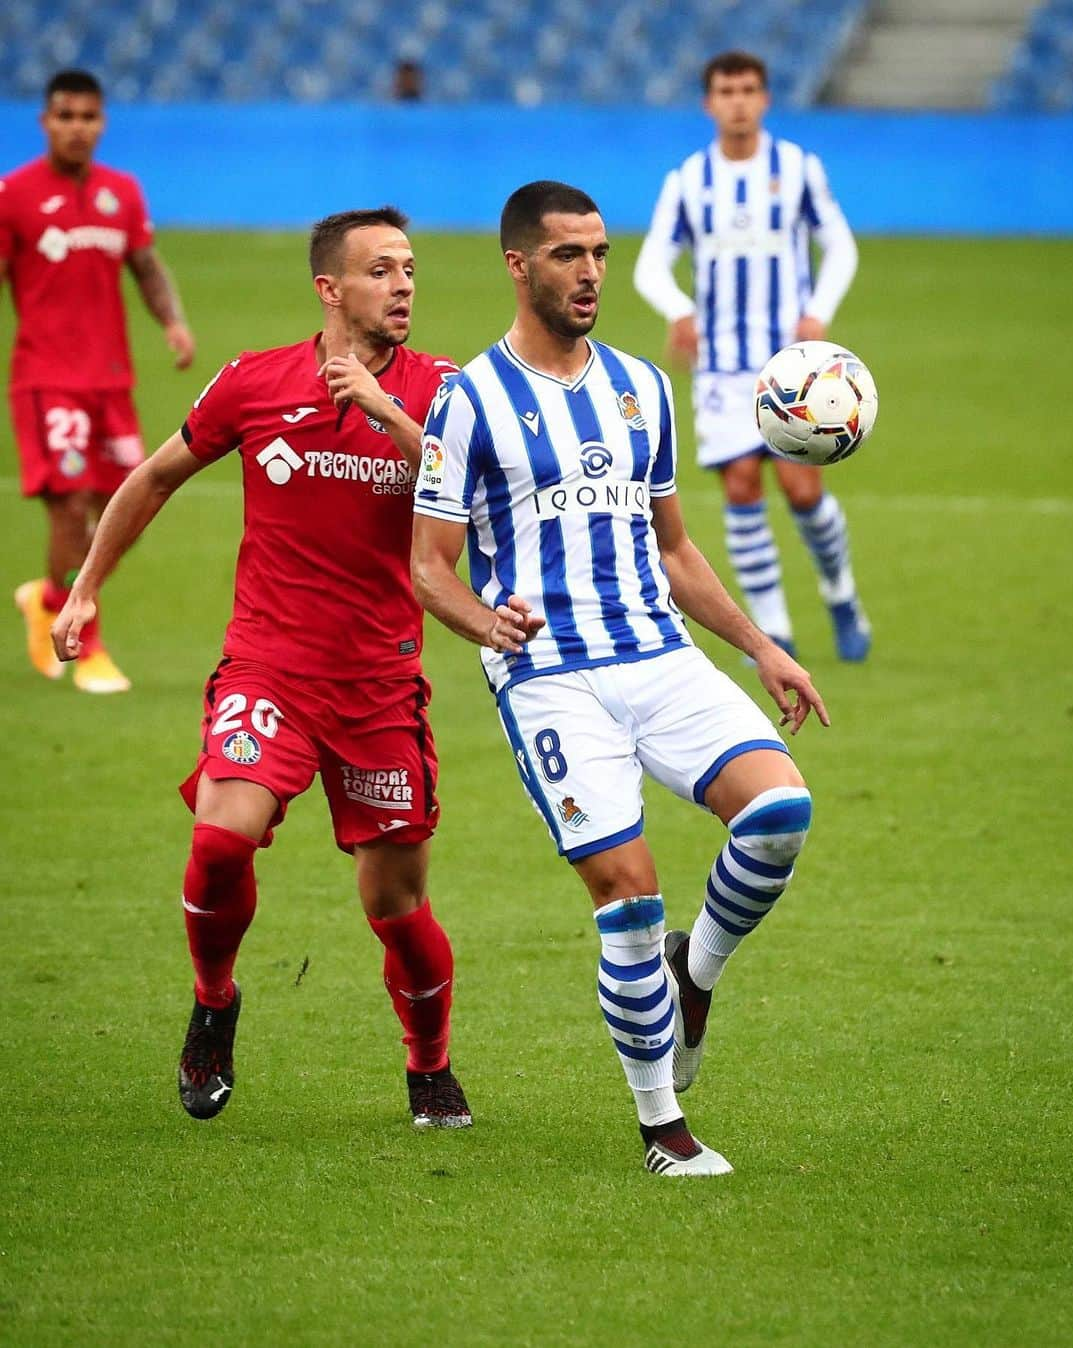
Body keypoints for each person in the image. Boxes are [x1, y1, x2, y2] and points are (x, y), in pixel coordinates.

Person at [411, 180, 827, 1176]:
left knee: (779, 813)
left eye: (600, 251)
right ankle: (663, 1127)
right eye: (568, 254)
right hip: (550, 678)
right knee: (628, 895)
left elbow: (676, 548)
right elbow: (428, 563)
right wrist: (486, 623)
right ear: (520, 265)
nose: (592, 271)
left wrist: (761, 645)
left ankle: (699, 971)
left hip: (658, 654)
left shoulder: (642, 384)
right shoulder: (468, 399)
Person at [51, 207, 471, 1129]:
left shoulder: (445, 392)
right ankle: (215, 1003)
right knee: (218, 840)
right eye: (382, 271)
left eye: (411, 270)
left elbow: (475, 493)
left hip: (378, 685)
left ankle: (429, 1067)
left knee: (397, 906)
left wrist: (382, 407)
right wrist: (84, 588)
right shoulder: (253, 382)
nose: (404, 286)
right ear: (330, 288)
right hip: (268, 670)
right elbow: (155, 476)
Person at [634, 50, 869, 662]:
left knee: (801, 489)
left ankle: (840, 590)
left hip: (794, 365)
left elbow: (839, 248)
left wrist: (818, 309)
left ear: (764, 99)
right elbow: (650, 264)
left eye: (748, 89)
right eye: (726, 90)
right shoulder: (688, 180)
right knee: (741, 486)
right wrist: (680, 310)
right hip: (720, 362)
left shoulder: (796, 169)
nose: (738, 101)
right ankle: (773, 630)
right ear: (709, 102)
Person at [2, 69, 196, 694]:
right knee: (70, 506)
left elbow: (144, 264)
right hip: (46, 378)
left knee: (129, 508)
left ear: (103, 123)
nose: (77, 128)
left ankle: (50, 596)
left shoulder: (122, 192)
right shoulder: (15, 195)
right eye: (65, 116)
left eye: (88, 117)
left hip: (110, 382)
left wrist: (172, 322)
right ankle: (86, 644)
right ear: (45, 122)